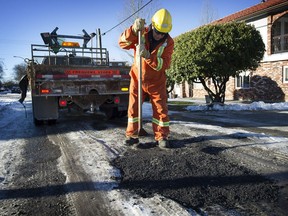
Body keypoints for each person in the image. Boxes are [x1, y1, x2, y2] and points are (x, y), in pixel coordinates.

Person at [118, 8, 174, 148]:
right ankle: (132, 135)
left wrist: (149, 56)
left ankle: (162, 137)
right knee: (133, 108)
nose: (160, 36)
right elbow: (122, 43)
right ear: (152, 26)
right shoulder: (140, 33)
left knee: (161, 109)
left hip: (157, 81)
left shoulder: (169, 42)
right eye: (157, 32)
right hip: (137, 78)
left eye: (163, 33)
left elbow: (164, 64)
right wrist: (132, 29)